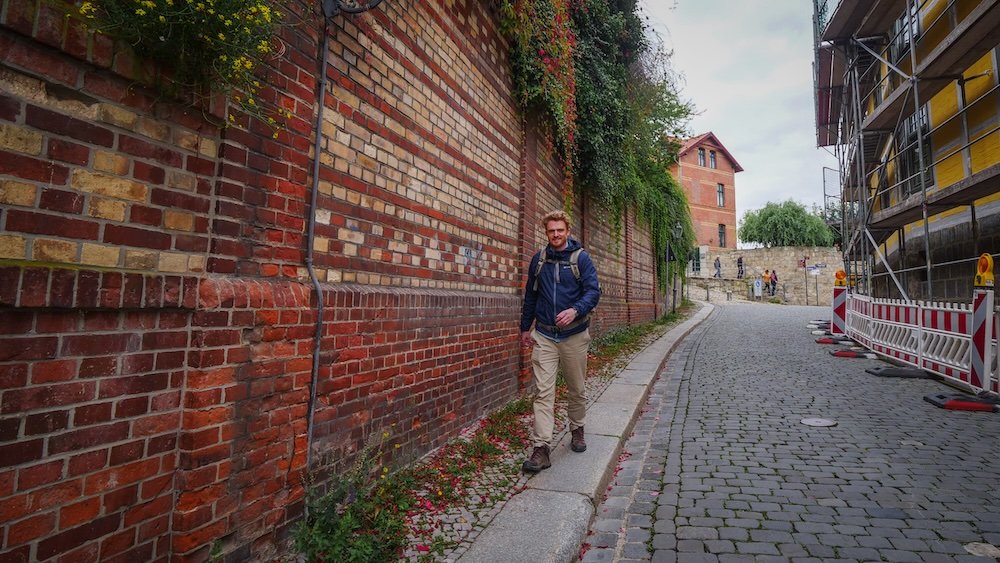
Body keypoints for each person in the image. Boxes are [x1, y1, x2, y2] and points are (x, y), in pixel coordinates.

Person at [520, 210, 601, 473]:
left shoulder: (581, 259)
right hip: (544, 335)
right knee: (543, 393)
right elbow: (530, 297)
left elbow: (592, 292)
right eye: (551, 231)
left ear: (567, 231)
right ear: (546, 233)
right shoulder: (539, 260)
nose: (555, 234)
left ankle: (577, 429)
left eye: (560, 230)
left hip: (574, 335)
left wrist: (575, 310)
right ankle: (541, 448)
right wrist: (525, 328)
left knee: (576, 388)